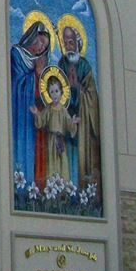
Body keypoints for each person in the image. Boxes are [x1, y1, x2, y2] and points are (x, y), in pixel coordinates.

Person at [57, 18, 100, 191]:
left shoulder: (85, 66)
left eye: (71, 41)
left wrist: (78, 89)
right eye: (65, 42)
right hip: (66, 121)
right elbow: (57, 89)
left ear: (78, 43)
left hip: (83, 124)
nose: (69, 45)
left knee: (82, 159)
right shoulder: (61, 64)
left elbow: (92, 96)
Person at [11, 17, 52, 185]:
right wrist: (36, 73)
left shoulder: (38, 62)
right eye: (40, 41)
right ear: (31, 36)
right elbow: (15, 84)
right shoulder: (16, 54)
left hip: (35, 117)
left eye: (44, 46)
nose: (41, 47)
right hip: (20, 113)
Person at [31, 68, 77, 182]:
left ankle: (64, 189)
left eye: (56, 91)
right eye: (52, 92)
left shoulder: (63, 110)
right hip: (51, 141)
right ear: (48, 93)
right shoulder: (49, 109)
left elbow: (68, 124)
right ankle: (53, 190)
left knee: (63, 163)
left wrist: (72, 122)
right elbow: (41, 121)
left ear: (61, 92)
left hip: (60, 140)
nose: (54, 94)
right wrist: (37, 113)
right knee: (52, 164)